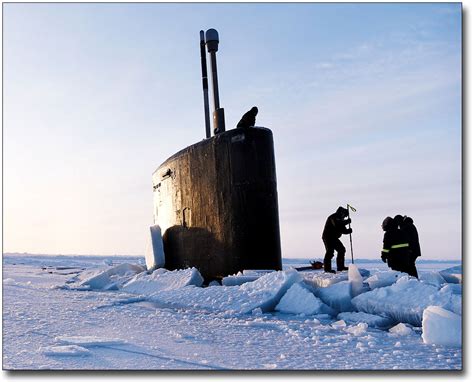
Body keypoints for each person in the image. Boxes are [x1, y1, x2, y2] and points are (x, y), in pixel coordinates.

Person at [322, 206, 352, 273]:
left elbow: (343, 230)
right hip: (328, 237)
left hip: (334, 238)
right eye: (345, 216)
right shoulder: (333, 217)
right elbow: (337, 225)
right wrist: (346, 222)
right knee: (330, 252)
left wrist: (348, 231)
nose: (345, 217)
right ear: (342, 213)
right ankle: (327, 269)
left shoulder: (341, 219)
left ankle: (340, 267)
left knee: (341, 250)